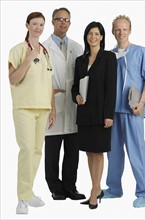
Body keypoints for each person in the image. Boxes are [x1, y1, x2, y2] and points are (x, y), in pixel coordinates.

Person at [103, 15, 145, 208]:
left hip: (133, 110)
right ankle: (114, 189)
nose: (121, 32)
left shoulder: (140, 52)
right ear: (112, 31)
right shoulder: (109, 55)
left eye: (124, 29)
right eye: (117, 29)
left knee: (136, 152)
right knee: (113, 152)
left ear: (130, 30)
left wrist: (142, 102)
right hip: (112, 111)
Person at [8, 12, 55, 214]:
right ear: (27, 25)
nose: (38, 27)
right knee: (27, 150)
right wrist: (27, 60)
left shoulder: (46, 52)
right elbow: (13, 79)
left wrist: (52, 108)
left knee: (36, 152)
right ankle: (22, 199)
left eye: (41, 24)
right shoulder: (17, 50)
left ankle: (28, 193)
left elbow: (49, 83)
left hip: (43, 108)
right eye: (34, 24)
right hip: (24, 107)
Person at [71, 21, 117, 209]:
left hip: (101, 114)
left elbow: (111, 88)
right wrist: (77, 96)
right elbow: (74, 86)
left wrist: (109, 115)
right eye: (90, 33)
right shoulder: (80, 61)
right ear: (86, 36)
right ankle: (95, 189)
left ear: (102, 37)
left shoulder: (109, 58)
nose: (93, 37)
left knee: (98, 153)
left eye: (97, 34)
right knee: (89, 153)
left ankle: (95, 190)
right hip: (84, 113)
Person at [43, 7, 85, 201]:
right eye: (59, 19)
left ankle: (70, 187)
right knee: (52, 151)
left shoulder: (77, 47)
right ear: (52, 22)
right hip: (52, 103)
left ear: (70, 23)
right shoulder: (44, 48)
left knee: (72, 151)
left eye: (66, 19)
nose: (63, 22)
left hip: (74, 105)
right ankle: (55, 188)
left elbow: (83, 78)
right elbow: (41, 80)